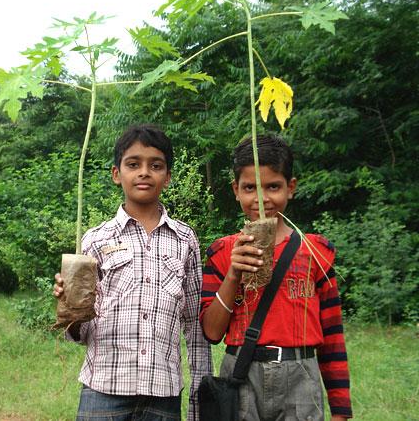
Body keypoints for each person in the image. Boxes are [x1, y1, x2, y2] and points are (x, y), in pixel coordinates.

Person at [54, 124, 212, 421]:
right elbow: (81, 333)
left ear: (167, 177)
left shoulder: (184, 240)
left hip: (162, 395)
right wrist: (69, 308)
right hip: (103, 390)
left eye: (155, 165)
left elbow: (194, 324)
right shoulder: (95, 240)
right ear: (117, 174)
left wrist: (199, 399)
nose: (144, 172)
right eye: (133, 164)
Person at [200, 134, 352, 420]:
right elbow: (211, 332)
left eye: (273, 187)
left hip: (301, 377)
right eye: (250, 188)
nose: (261, 198)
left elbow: (332, 336)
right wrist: (233, 274)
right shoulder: (221, 253)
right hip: (242, 375)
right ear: (236, 190)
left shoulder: (315, 253)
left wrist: (341, 410)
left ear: (290, 188)